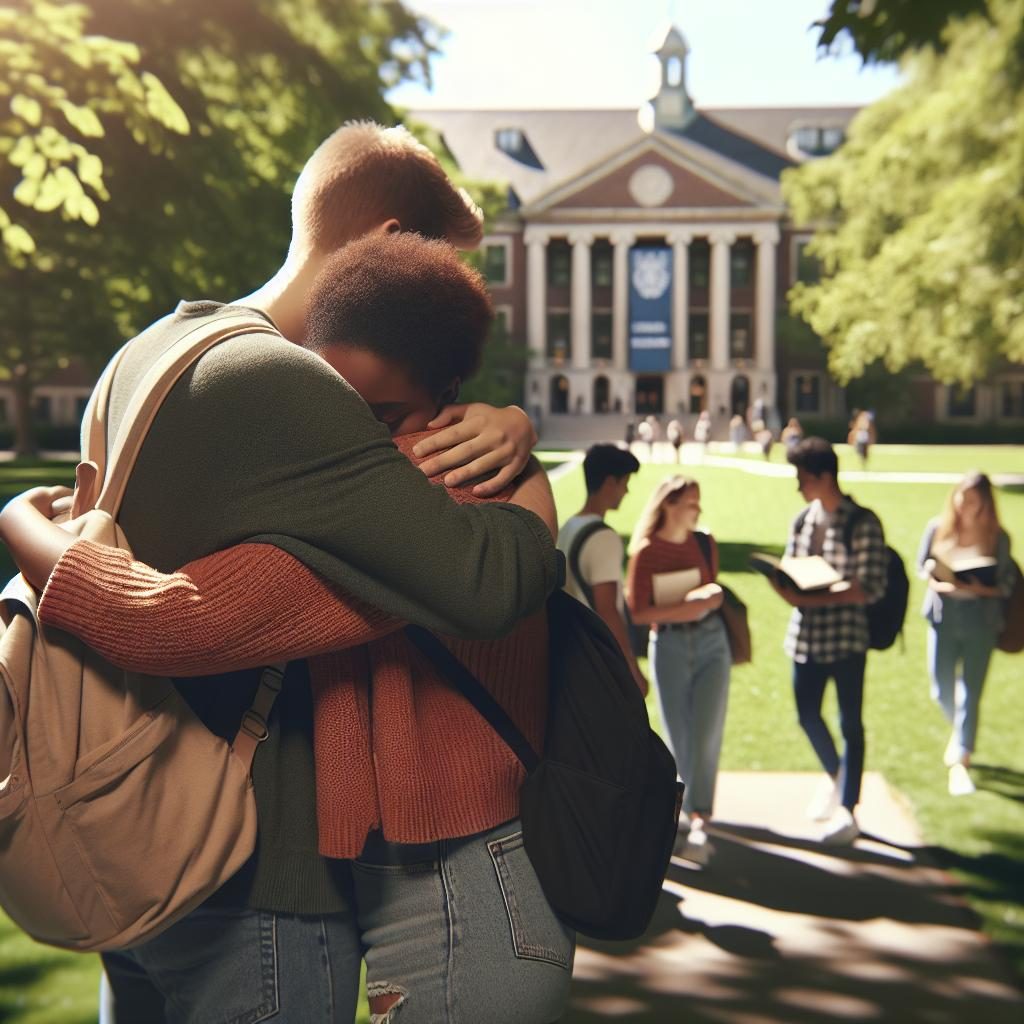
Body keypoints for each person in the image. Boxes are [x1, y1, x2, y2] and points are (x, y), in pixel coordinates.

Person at [1, 122, 560, 1021]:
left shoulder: (146, 353)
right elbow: (476, 580)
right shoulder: (290, 390)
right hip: (246, 874)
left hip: (126, 839)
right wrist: (530, 487)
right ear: (389, 246)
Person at [768, 438, 888, 845]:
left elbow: (869, 587)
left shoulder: (862, 522)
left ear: (823, 476)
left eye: (802, 477)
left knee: (850, 722)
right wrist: (786, 588)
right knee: (807, 715)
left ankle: (847, 808)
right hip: (805, 636)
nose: (798, 485)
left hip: (847, 638)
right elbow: (793, 568)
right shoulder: (802, 520)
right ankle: (837, 776)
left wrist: (811, 595)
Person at [625, 477, 728, 866]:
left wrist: (710, 599)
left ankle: (700, 819)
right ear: (668, 505)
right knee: (677, 732)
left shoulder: (705, 542)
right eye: (690, 502)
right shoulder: (646, 552)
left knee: (706, 731)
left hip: (711, 643)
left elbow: (712, 592)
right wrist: (688, 605)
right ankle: (679, 814)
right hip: (668, 645)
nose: (697, 509)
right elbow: (637, 612)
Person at [917, 472, 1016, 796]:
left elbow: (1005, 584)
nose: (963, 504)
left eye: (971, 499)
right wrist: (941, 582)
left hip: (980, 620)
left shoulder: (997, 538)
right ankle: (960, 733)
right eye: (961, 496)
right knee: (940, 687)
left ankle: (962, 755)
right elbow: (923, 567)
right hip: (944, 614)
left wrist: (978, 588)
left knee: (971, 690)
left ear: (984, 504)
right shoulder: (937, 527)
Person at [557, 444, 645, 693]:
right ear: (609, 483)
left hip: (572, 649)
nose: (626, 491)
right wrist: (631, 667)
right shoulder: (604, 538)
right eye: (624, 482)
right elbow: (607, 609)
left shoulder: (569, 526)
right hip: (598, 657)